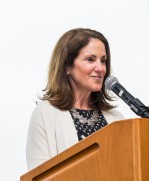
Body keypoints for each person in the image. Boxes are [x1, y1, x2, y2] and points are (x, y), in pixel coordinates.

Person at [26, 28, 124, 170]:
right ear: (67, 65)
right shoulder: (44, 114)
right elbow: (38, 180)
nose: (100, 68)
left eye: (103, 61)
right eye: (90, 59)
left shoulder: (116, 118)